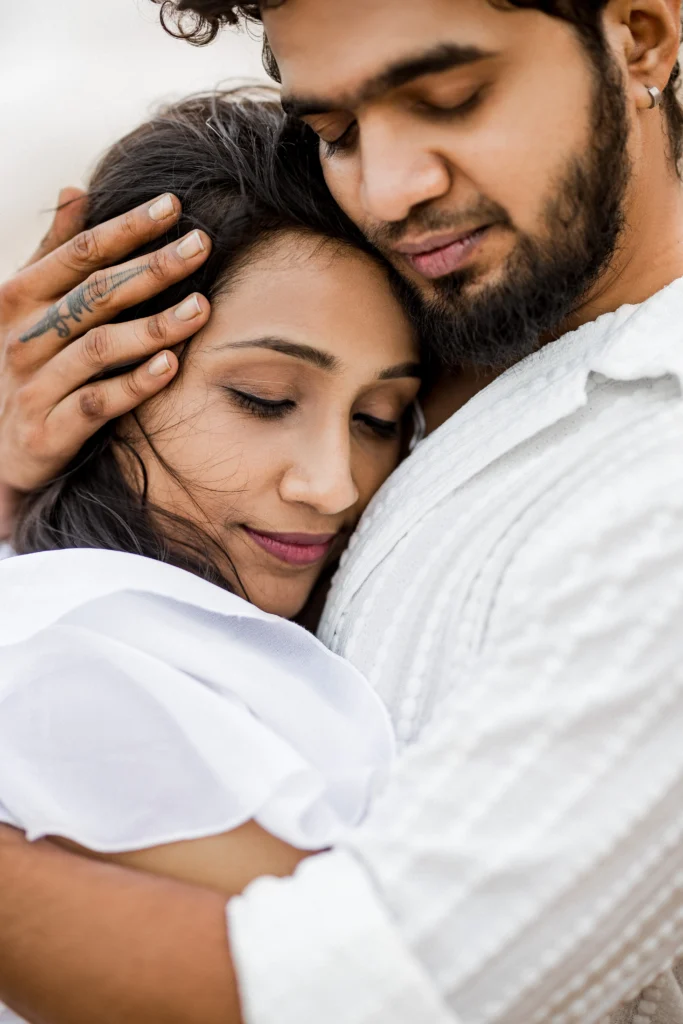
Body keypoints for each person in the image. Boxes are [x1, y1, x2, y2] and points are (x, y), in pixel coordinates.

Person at [1, 0, 683, 1022]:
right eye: (335, 134)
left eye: (449, 98)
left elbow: (377, 994)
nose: (389, 192)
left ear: (639, 34)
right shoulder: (442, 325)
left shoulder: (650, 461)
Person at [0, 89, 420, 1022]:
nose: (332, 485)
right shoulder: (63, 659)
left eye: (379, 420)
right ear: (97, 370)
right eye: (266, 398)